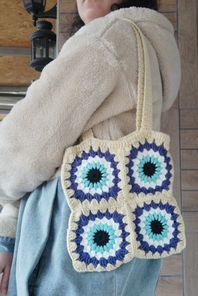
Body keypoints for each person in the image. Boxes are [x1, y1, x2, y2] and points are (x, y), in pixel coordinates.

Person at [0, 0, 181, 295]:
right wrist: (8, 234)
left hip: (63, 254)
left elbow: (23, 148)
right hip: (114, 258)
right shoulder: (151, 47)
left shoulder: (108, 38)